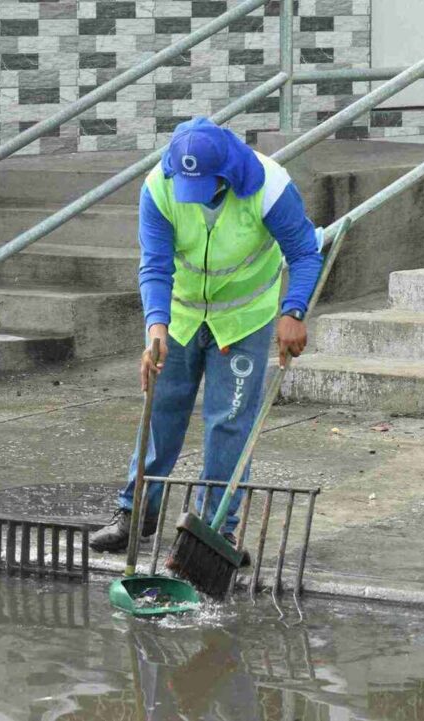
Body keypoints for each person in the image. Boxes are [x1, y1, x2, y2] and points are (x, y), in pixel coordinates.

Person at [89, 117, 323, 553]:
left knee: (228, 422)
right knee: (160, 412)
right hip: (179, 317)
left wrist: (294, 311)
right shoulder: (159, 187)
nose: (194, 198)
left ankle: (215, 528)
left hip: (243, 318)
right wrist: (154, 329)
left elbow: (306, 253)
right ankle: (136, 512)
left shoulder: (269, 188)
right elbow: (155, 266)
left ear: (227, 174)